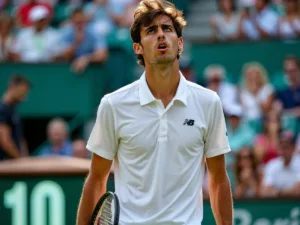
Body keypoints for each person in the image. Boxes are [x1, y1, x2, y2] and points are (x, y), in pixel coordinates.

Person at [77, 1, 233, 225]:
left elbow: (218, 180)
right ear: (137, 48)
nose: (161, 35)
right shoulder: (113, 105)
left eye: (167, 29)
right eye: (151, 31)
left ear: (179, 43)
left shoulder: (208, 102)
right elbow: (97, 178)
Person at [261, 130, 300, 197]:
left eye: (286, 147)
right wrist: (289, 191)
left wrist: (278, 192)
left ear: (293, 148)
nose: (283, 150)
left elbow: (298, 190)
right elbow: (265, 191)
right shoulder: (272, 164)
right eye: (281, 147)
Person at [0, 75, 31, 160]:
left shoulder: (13, 110)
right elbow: (5, 142)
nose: (24, 97)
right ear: (13, 87)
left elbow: (20, 139)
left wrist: (25, 159)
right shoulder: (2, 109)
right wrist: (20, 160)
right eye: (22, 92)